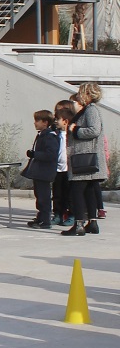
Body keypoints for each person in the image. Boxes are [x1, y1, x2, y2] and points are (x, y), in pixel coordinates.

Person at [61, 82, 106, 236]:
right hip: (86, 156)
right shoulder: (89, 109)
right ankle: (92, 223)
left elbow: (94, 130)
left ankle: (79, 224)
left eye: (81, 92)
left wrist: (75, 129)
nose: (79, 94)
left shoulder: (91, 110)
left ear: (87, 94)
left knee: (77, 190)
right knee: (89, 190)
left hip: (84, 157)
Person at [23, 110, 60, 229]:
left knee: (44, 197)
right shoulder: (42, 134)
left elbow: (51, 155)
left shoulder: (50, 136)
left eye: (37, 120)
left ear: (45, 122)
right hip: (39, 172)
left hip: (45, 172)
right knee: (39, 196)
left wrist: (35, 154)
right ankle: (40, 218)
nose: (35, 123)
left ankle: (45, 220)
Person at [51, 102, 74, 226]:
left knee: (70, 194)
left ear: (65, 121)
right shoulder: (55, 134)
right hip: (57, 169)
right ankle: (58, 214)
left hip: (69, 169)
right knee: (57, 194)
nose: (55, 121)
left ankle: (71, 215)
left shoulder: (71, 135)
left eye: (58, 119)